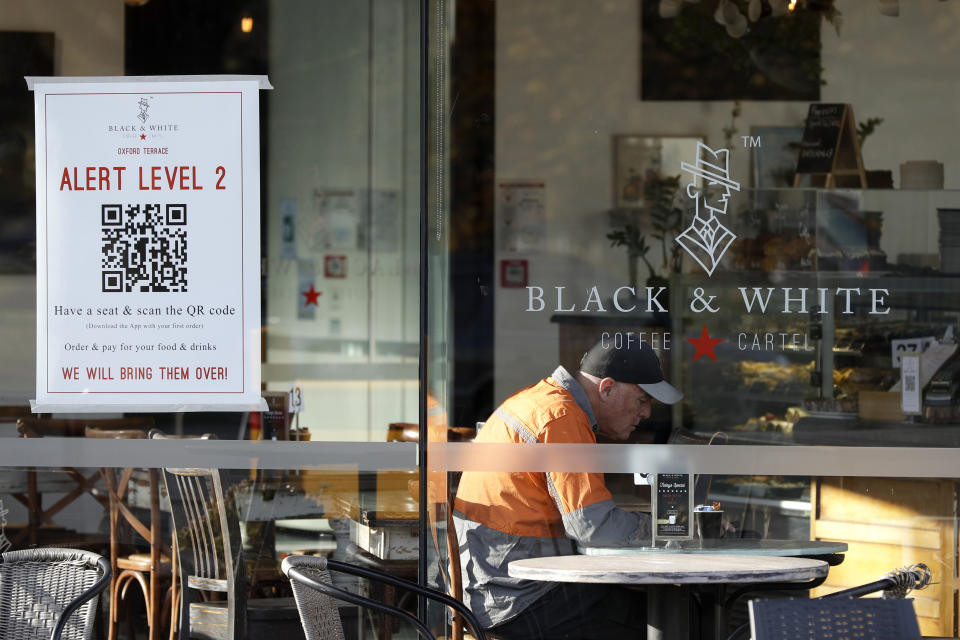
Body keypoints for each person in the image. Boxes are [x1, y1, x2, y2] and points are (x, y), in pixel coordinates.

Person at [453, 336, 682, 640]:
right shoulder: (562, 418)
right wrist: (671, 528)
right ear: (607, 387)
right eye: (642, 400)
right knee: (672, 618)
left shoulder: (538, 399)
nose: (647, 413)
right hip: (515, 599)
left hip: (492, 586)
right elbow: (595, 529)